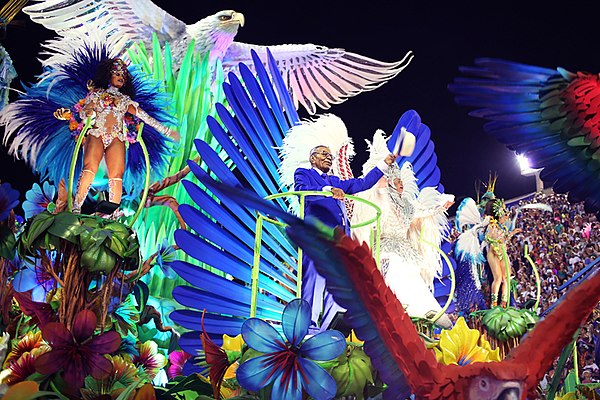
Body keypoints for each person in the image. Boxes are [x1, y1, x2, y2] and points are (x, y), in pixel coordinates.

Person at [54, 58, 180, 217]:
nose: (121, 76)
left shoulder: (126, 101)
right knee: (90, 168)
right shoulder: (97, 94)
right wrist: (88, 113)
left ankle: (112, 212)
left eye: (123, 75)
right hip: (97, 133)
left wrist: (167, 132)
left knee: (116, 176)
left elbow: (146, 117)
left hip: (116, 137)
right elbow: (84, 112)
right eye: (116, 73)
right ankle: (77, 208)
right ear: (108, 75)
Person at [294, 144, 397, 329]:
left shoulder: (336, 180)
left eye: (330, 156)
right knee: (315, 279)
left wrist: (385, 164)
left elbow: (362, 183)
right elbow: (303, 190)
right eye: (324, 154)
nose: (328, 158)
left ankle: (331, 328)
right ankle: (308, 327)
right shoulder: (303, 173)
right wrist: (327, 190)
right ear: (312, 158)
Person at [352, 160, 454, 327]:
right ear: (390, 182)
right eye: (396, 181)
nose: (400, 184)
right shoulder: (381, 200)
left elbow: (425, 211)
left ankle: (421, 311)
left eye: (401, 181)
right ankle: (396, 305)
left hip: (404, 249)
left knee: (412, 274)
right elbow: (370, 195)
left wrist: (442, 205)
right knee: (395, 269)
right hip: (385, 248)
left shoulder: (407, 205)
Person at [482, 198, 521, 307]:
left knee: (506, 278)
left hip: (502, 252)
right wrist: (496, 242)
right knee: (498, 277)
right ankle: (494, 303)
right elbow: (487, 238)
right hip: (493, 253)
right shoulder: (492, 226)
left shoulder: (502, 227)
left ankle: (504, 302)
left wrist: (512, 233)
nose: (506, 216)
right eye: (504, 214)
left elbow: (504, 240)